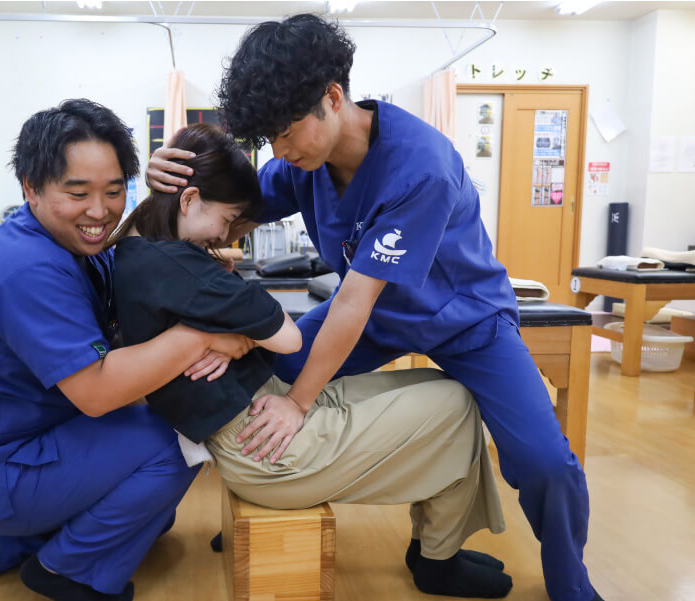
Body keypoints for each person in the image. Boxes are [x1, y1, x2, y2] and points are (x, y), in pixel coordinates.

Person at [147, 14, 601, 601]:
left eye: (286, 133)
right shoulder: (301, 162)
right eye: (271, 141)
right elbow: (238, 214)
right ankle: (256, 506)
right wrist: (172, 176)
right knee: (266, 369)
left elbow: (354, 302)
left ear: (332, 99)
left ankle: (572, 584)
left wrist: (299, 404)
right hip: (382, 319)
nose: (280, 151)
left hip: (466, 322)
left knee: (545, 463)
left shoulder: (421, 167)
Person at [114, 123, 511, 598]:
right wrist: (227, 335)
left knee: (439, 386)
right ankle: (436, 560)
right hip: (265, 451)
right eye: (227, 219)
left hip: (255, 416)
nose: (227, 234)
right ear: (188, 199)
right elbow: (285, 336)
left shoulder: (136, 248)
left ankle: (433, 546)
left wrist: (218, 336)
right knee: (456, 406)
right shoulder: (183, 266)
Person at [0, 99, 263, 601]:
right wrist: (204, 336)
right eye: (77, 192)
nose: (99, 211)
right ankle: (67, 570)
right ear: (31, 189)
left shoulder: (69, 246)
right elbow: (99, 394)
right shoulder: (29, 268)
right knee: (181, 442)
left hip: (12, 440)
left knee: (157, 513)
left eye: (113, 191)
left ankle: (14, 537)